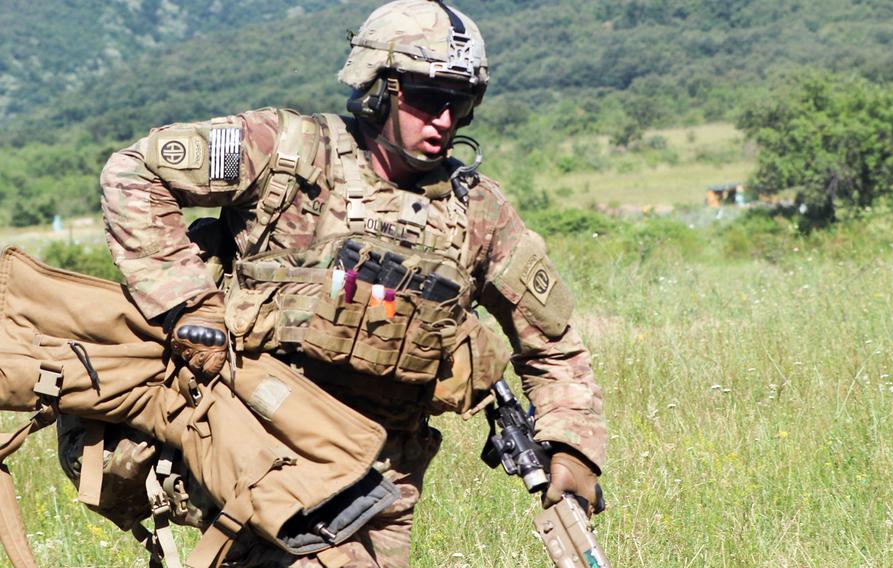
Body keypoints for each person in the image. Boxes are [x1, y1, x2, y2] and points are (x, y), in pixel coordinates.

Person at [97, 0, 606, 565]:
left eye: (458, 104)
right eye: (426, 97)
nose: (443, 119)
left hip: (385, 481)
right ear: (379, 88)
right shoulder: (286, 151)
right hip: (264, 442)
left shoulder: (476, 211)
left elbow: (553, 347)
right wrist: (190, 303)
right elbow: (135, 171)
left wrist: (572, 445)